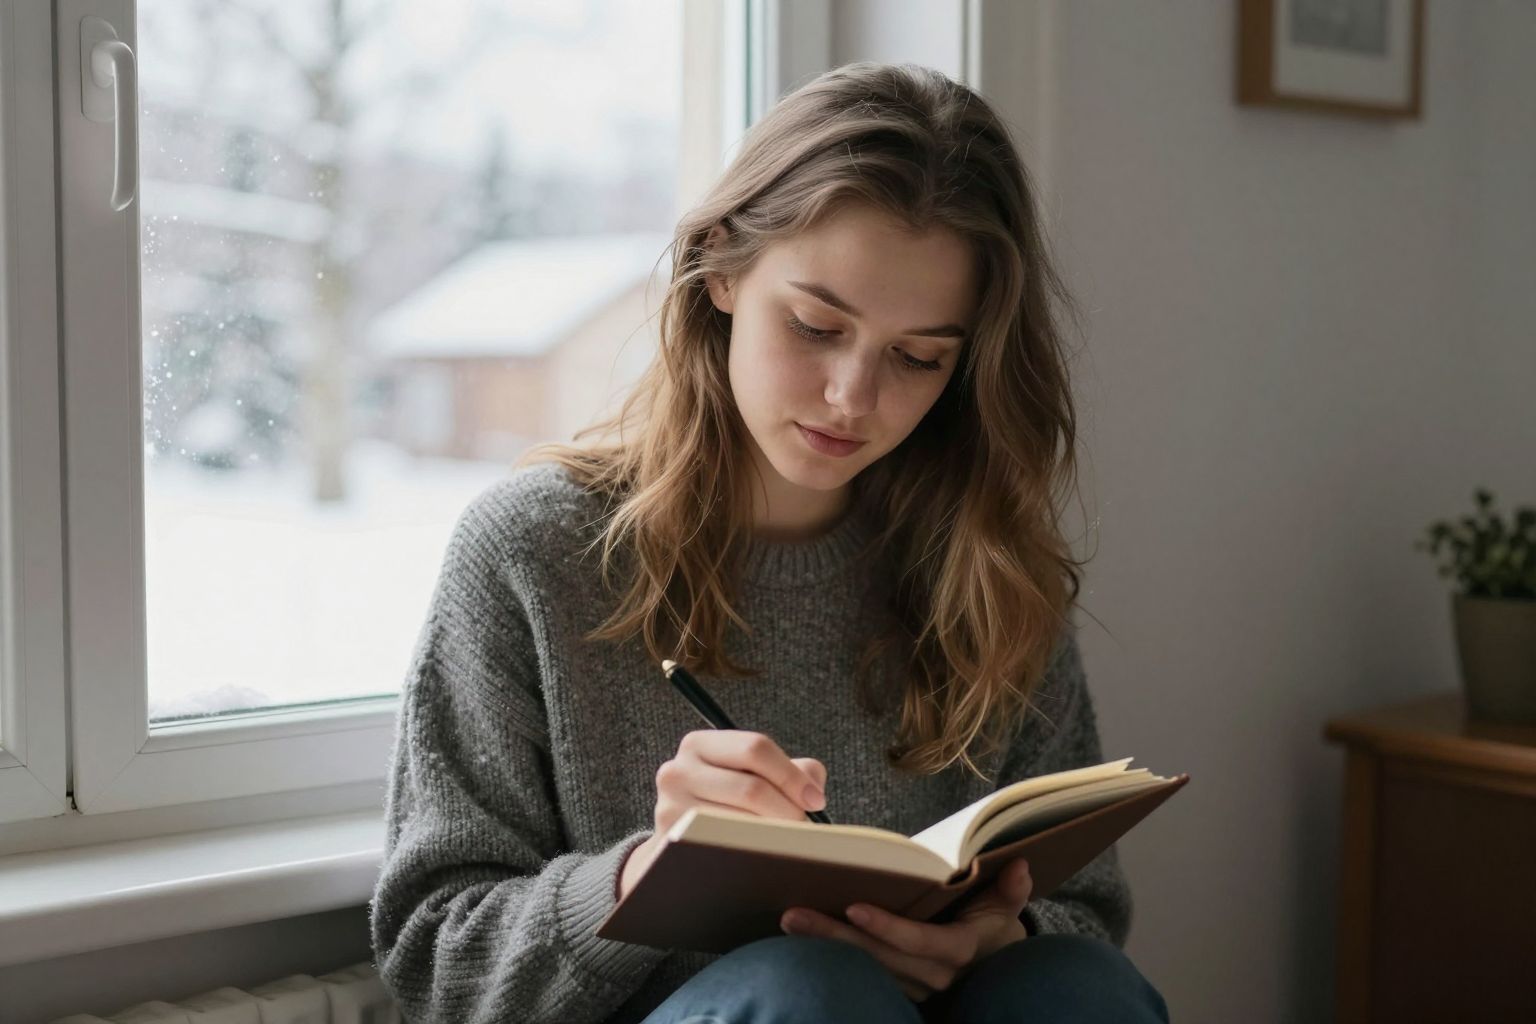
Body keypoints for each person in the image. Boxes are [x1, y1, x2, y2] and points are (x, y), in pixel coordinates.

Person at [369, 60, 1171, 1024]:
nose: (854, 398)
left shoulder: (985, 566)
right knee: (810, 992)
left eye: (918, 359)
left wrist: (1002, 936)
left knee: (1077, 988)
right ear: (720, 269)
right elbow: (433, 958)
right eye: (815, 325)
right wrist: (645, 874)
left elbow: (1087, 909)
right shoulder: (536, 552)